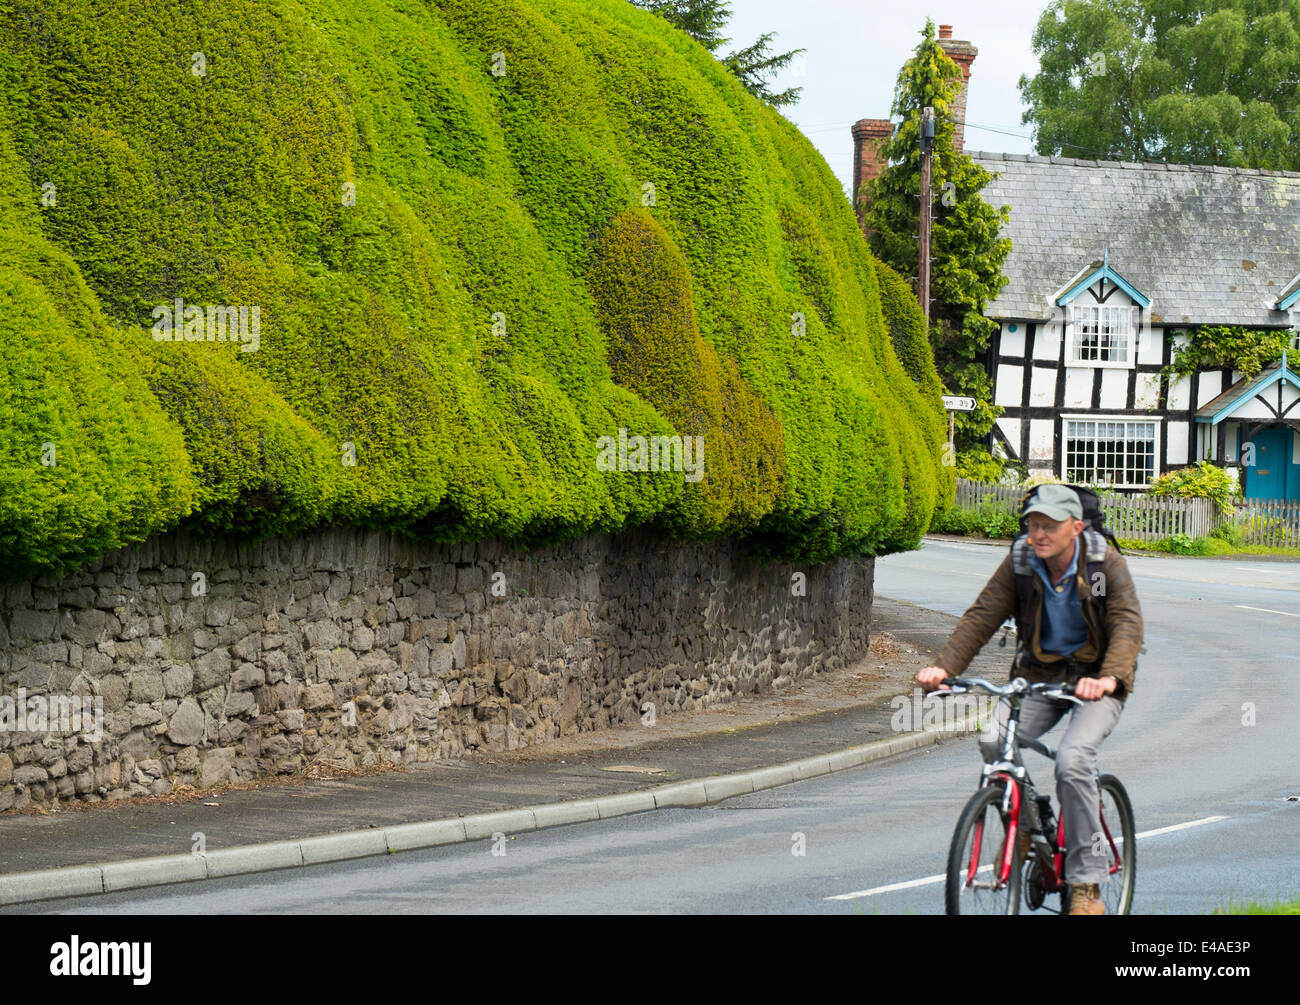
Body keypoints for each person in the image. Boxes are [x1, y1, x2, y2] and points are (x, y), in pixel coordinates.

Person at [916, 483, 1143, 915]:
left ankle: (1087, 885)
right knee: (992, 740)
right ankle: (1021, 825)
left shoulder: (1098, 565)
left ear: (1075, 527)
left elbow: (1126, 622)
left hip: (1095, 681)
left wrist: (1110, 677)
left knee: (1073, 761)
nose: (1039, 534)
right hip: (1038, 677)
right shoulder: (1022, 562)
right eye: (1034, 524)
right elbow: (983, 614)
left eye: (1050, 526)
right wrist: (945, 667)